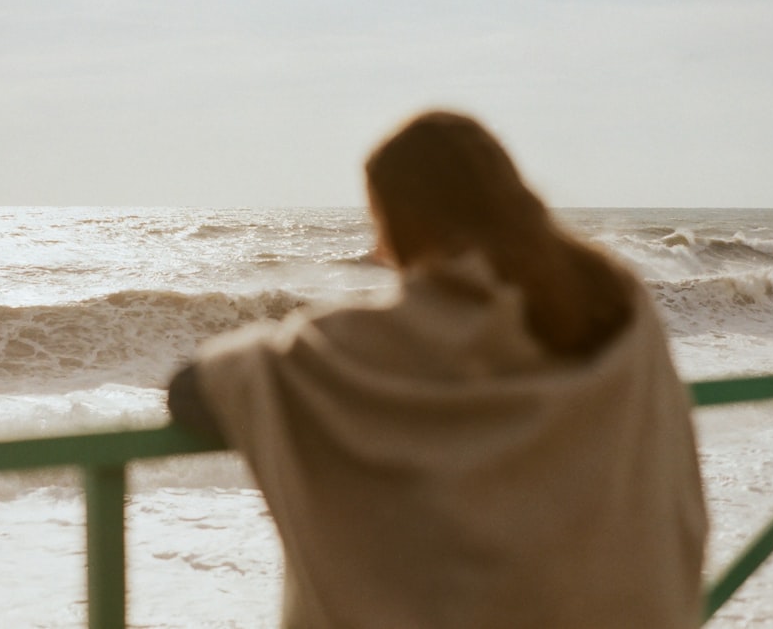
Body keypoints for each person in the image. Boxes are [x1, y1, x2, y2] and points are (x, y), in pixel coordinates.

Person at [167, 110, 707, 628]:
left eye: (380, 220)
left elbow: (191, 390)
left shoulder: (374, 344)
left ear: (408, 222)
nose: (378, 250)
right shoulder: (621, 306)